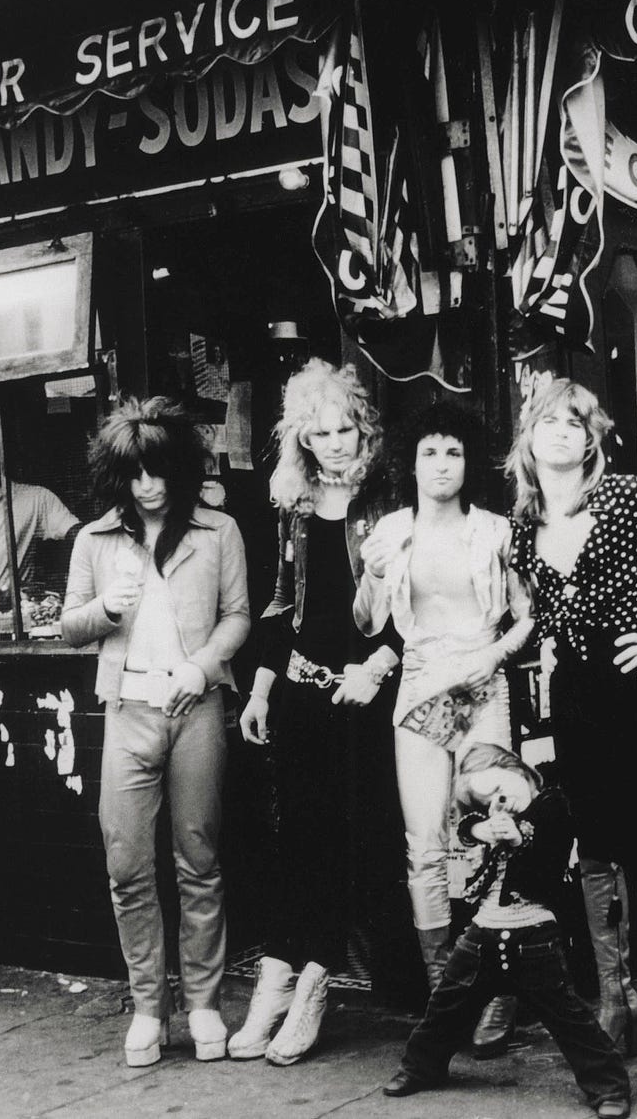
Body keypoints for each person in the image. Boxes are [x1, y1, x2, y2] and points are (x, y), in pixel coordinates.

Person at [507, 377, 637, 1104]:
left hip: (633, 689)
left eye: (574, 422)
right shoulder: (522, 518)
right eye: (547, 422)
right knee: (592, 849)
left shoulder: (629, 495)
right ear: (528, 438)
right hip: (574, 698)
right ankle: (615, 1001)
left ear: (592, 437)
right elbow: (534, 616)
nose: (560, 432)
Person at [61, 397, 250, 1068]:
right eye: (135, 472)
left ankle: (202, 1004)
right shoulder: (94, 538)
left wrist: (202, 671)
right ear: (119, 474)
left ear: (179, 470)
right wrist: (104, 609)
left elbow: (238, 617)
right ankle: (148, 1008)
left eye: (160, 470)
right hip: (127, 709)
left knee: (198, 859)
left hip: (194, 708)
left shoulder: (217, 529)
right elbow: (68, 624)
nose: (149, 485)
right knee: (126, 863)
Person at [230, 359, 401, 1065]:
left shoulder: (390, 501)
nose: (334, 442)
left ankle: (314, 987)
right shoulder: (293, 507)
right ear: (301, 439)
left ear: (364, 429)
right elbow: (278, 606)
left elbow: (411, 611)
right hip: (301, 692)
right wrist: (261, 691)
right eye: (320, 432)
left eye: (344, 429)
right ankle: (274, 976)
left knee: (339, 844)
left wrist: (380, 660)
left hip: (362, 698)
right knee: (294, 840)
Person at [353, 400, 533, 1055]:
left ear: (468, 462)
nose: (440, 463)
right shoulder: (390, 530)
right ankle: (443, 991)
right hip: (421, 692)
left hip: (484, 690)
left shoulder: (494, 531)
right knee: (423, 847)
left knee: (497, 837)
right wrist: (372, 575)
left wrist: (490, 654)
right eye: (429, 451)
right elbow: (370, 622)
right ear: (411, 460)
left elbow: (524, 616)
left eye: (452, 451)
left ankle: (500, 989)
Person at [382, 742, 632, 1119]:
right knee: (445, 1008)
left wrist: (517, 838)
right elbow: (465, 828)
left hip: (534, 933)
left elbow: (546, 839)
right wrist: (482, 827)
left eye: (500, 786)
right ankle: (421, 1066)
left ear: (517, 769)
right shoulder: (487, 817)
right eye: (484, 797)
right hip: (483, 933)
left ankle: (608, 1086)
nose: (499, 799)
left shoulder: (552, 804)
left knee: (569, 1017)